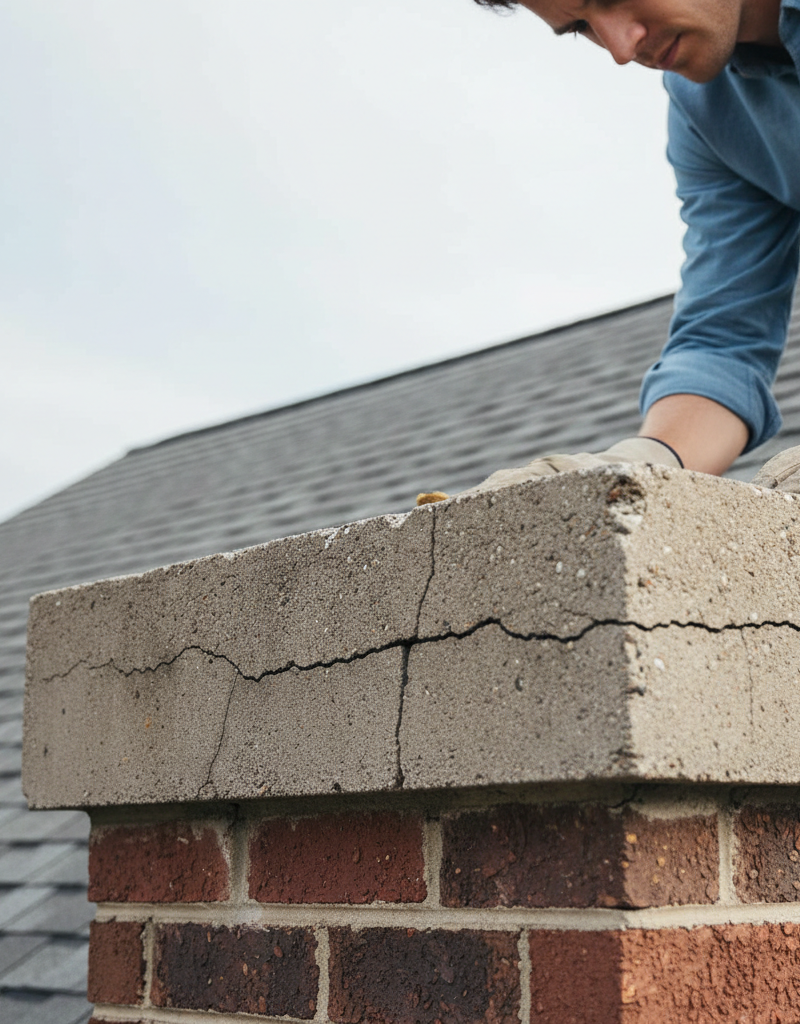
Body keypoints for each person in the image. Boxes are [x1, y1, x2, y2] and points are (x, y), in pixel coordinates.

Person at [417, 0, 800, 504]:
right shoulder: (706, 109)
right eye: (581, 27)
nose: (621, 47)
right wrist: (639, 466)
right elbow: (724, 342)